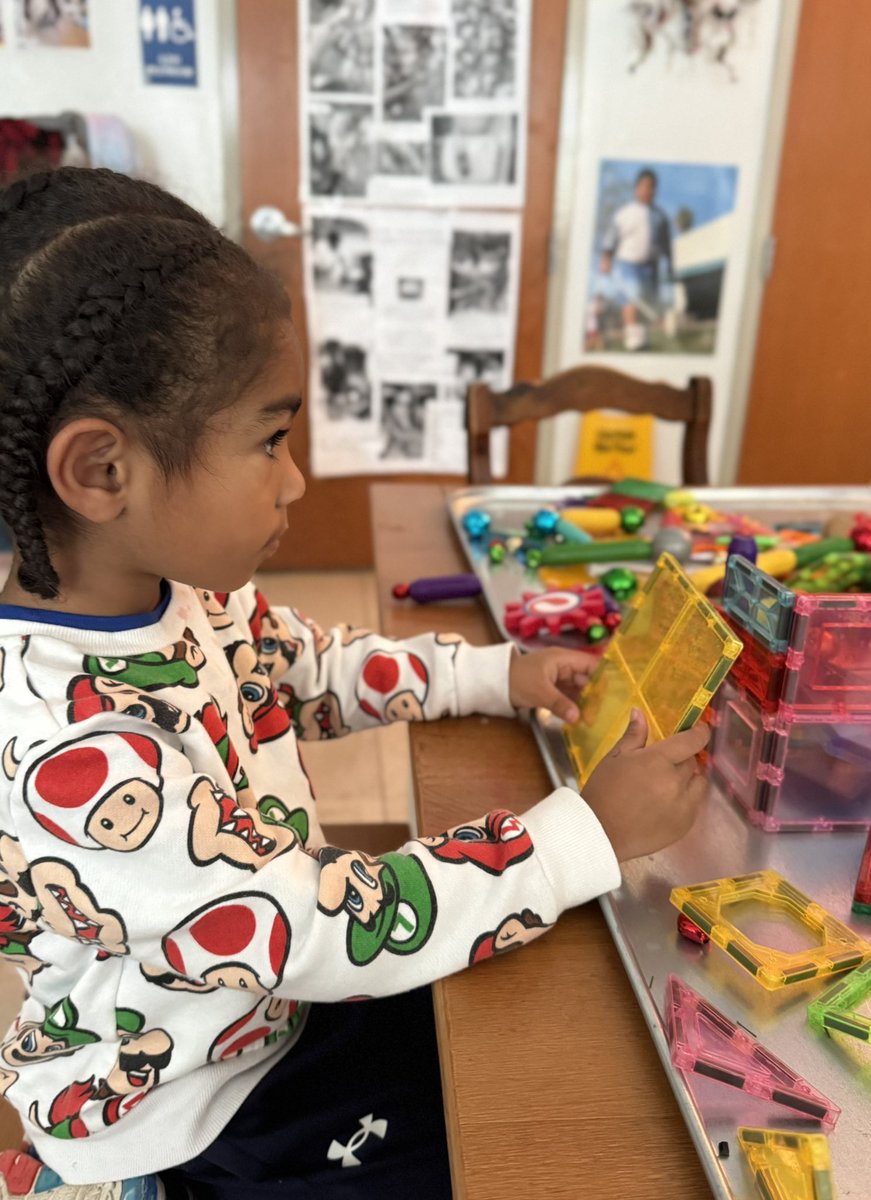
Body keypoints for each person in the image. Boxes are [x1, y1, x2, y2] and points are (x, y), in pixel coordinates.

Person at [0, 167, 708, 1199]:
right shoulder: (68, 750)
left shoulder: (165, 588)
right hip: (185, 1109)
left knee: (504, 1031)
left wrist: (495, 672)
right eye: (270, 439)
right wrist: (580, 835)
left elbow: (304, 663)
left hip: (262, 1009)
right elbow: (311, 925)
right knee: (536, 1146)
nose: (294, 481)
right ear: (103, 471)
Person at [599, 167, 673, 351]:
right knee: (631, 299)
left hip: (652, 266)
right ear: (637, 188)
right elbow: (611, 238)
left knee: (647, 302)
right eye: (646, 186)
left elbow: (666, 245)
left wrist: (670, 265)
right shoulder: (624, 214)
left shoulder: (661, 217)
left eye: (653, 187)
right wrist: (606, 258)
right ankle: (633, 340)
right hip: (628, 265)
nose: (649, 190)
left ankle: (643, 340)